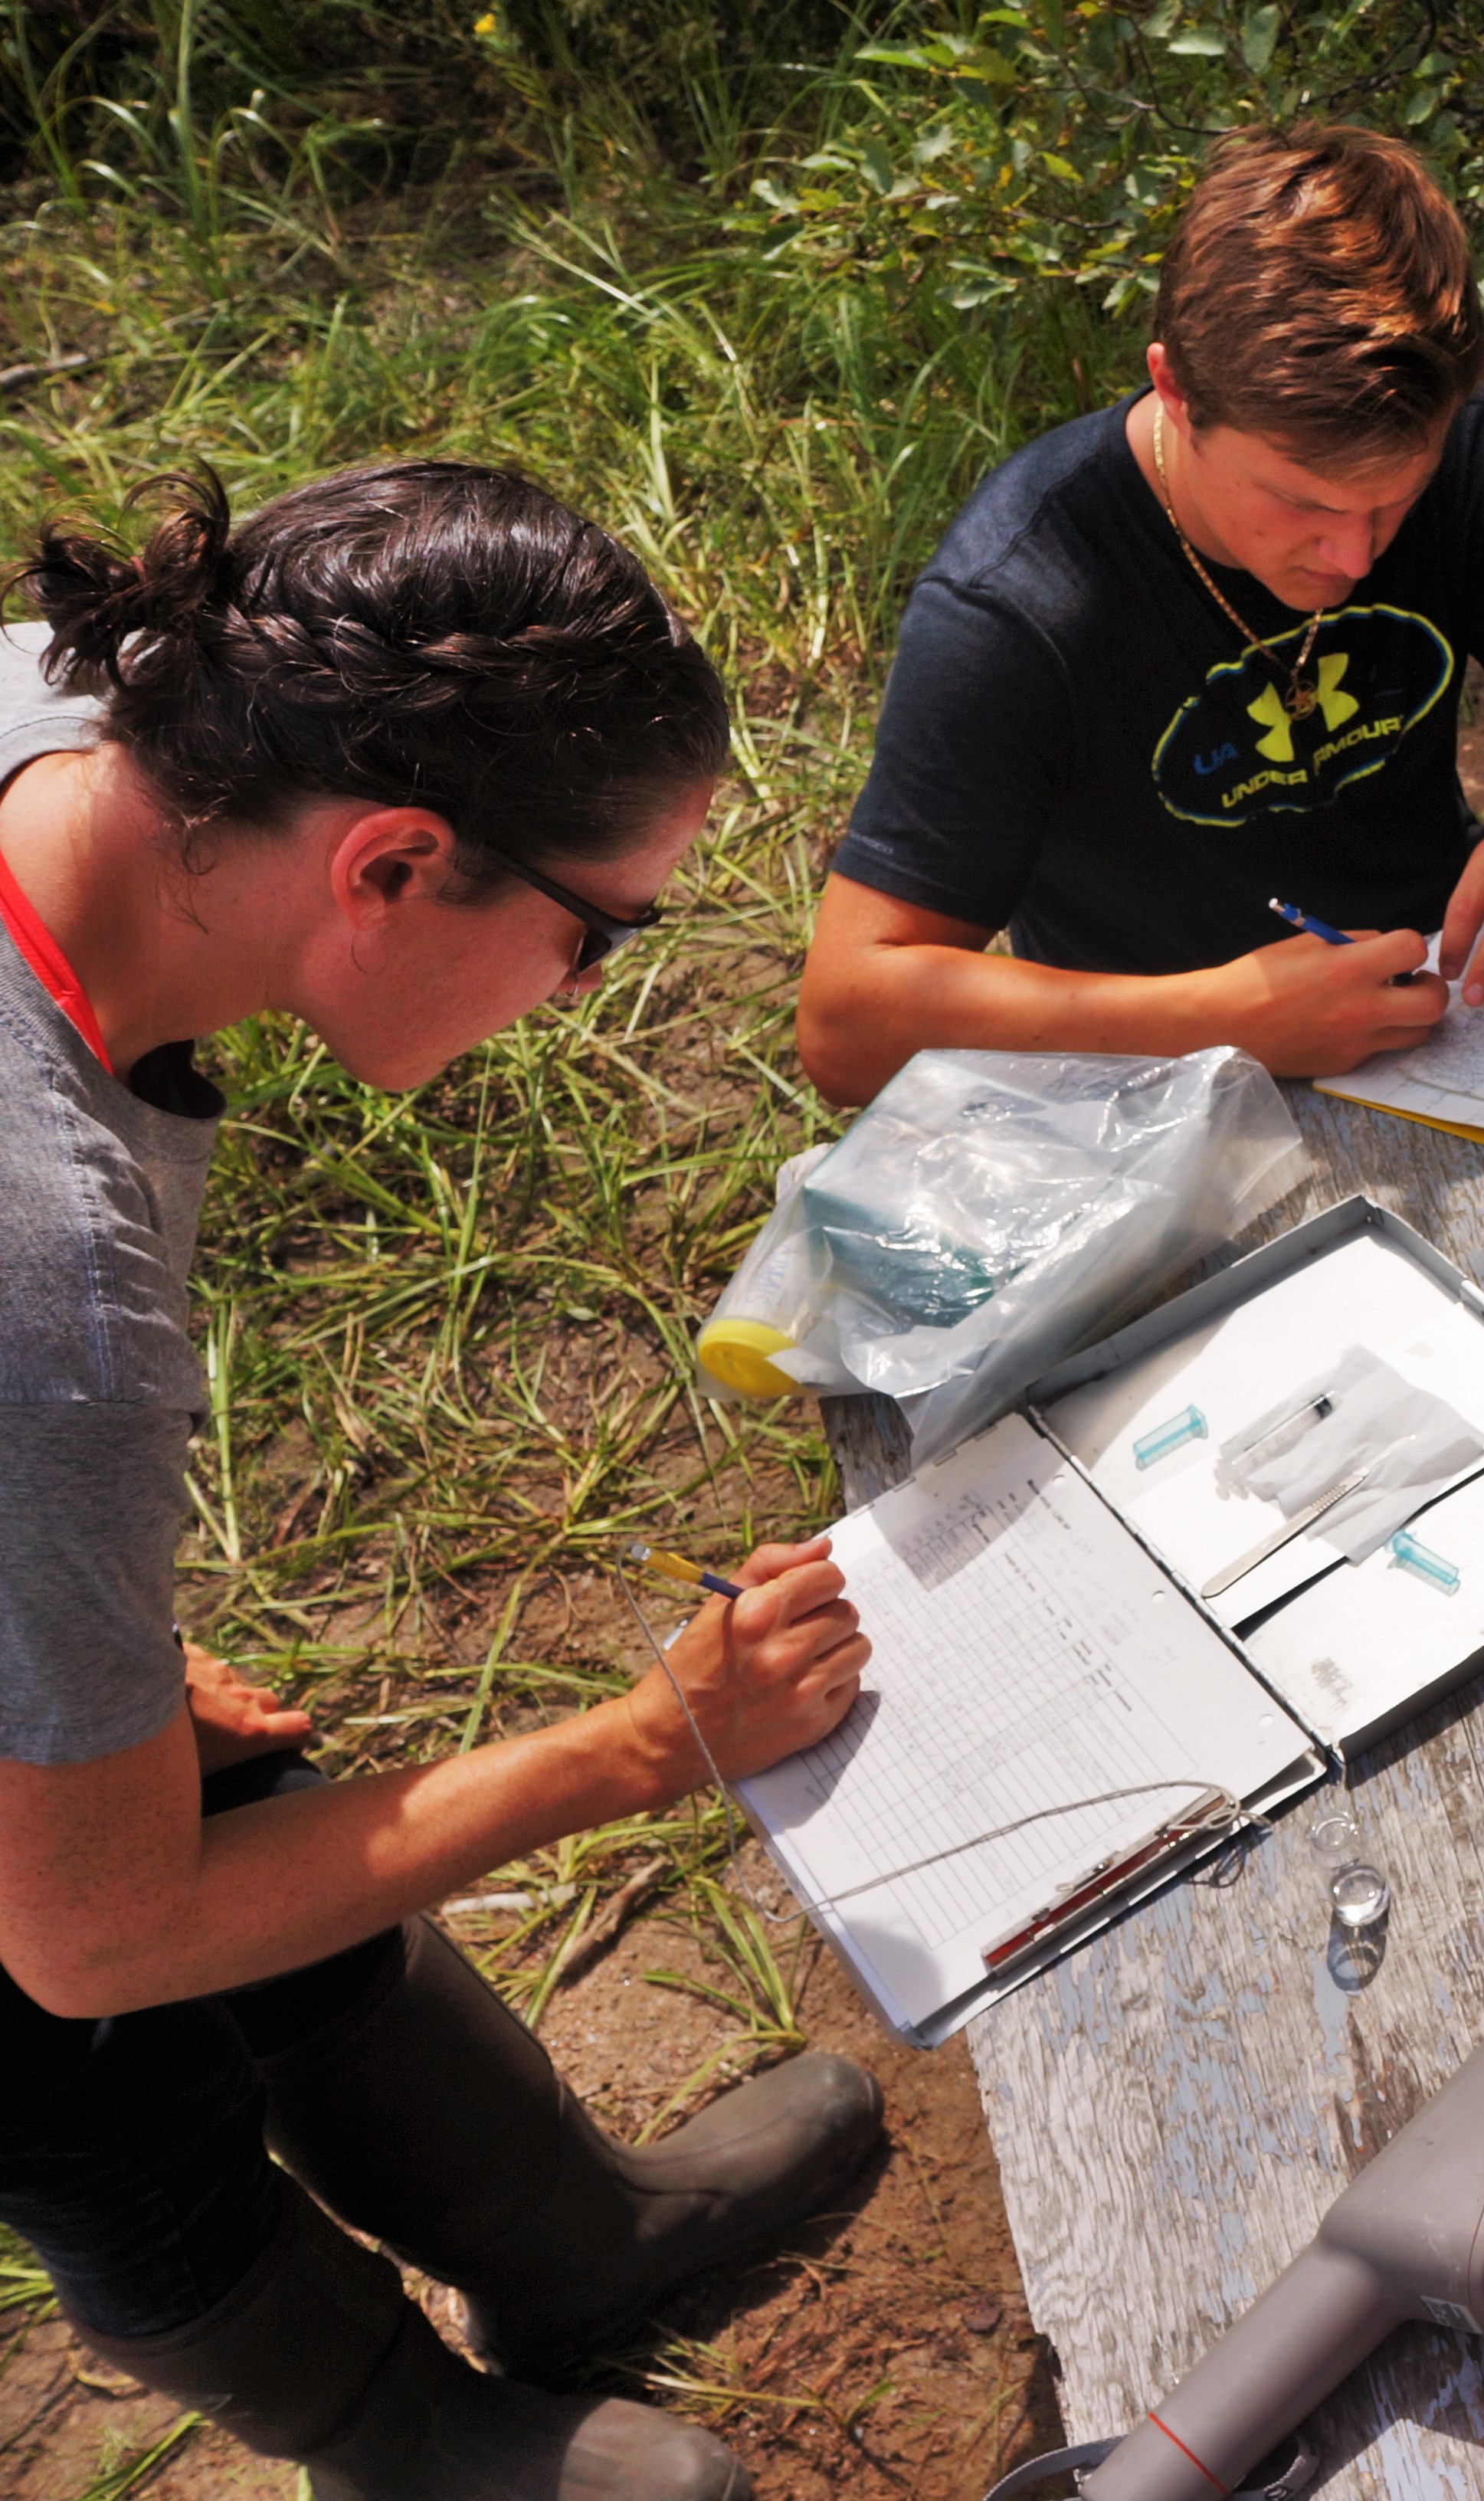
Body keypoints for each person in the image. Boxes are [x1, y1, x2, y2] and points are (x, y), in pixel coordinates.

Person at [0, 463, 883, 2501]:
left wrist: (75, 1649)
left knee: (204, 1781)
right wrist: (645, 1743)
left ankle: (576, 2250)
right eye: (597, 939)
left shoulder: (90, 710)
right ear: (394, 861)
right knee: (68, 2045)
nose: (589, 999)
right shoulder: (48, 1287)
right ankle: (394, 2443)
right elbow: (90, 1943)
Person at [796, 122, 1484, 1106]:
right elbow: (846, 1022)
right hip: (1149, 1092)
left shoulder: (1471, 457)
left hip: (1453, 1018)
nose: (1355, 556)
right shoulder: (1017, 605)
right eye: (1305, 503)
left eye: (1396, 498)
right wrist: (1224, 1022)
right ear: (1175, 390)